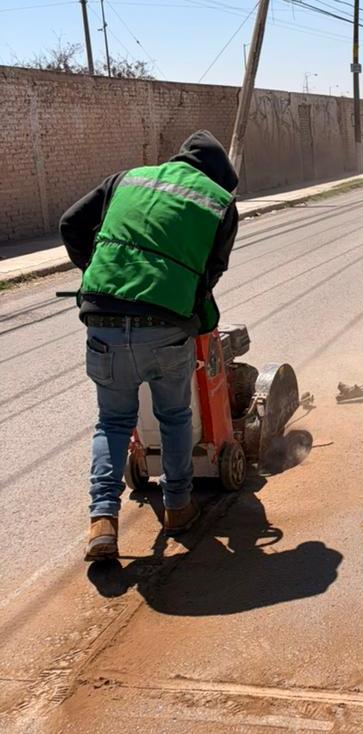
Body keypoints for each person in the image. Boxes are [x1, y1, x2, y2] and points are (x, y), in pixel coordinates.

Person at [60, 131, 239, 562]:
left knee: (112, 422)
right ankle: (177, 506)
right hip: (164, 327)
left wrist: (98, 272)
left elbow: (71, 223)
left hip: (101, 318)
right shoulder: (219, 202)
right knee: (175, 415)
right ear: (218, 176)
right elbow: (210, 274)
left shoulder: (127, 179)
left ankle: (102, 521)